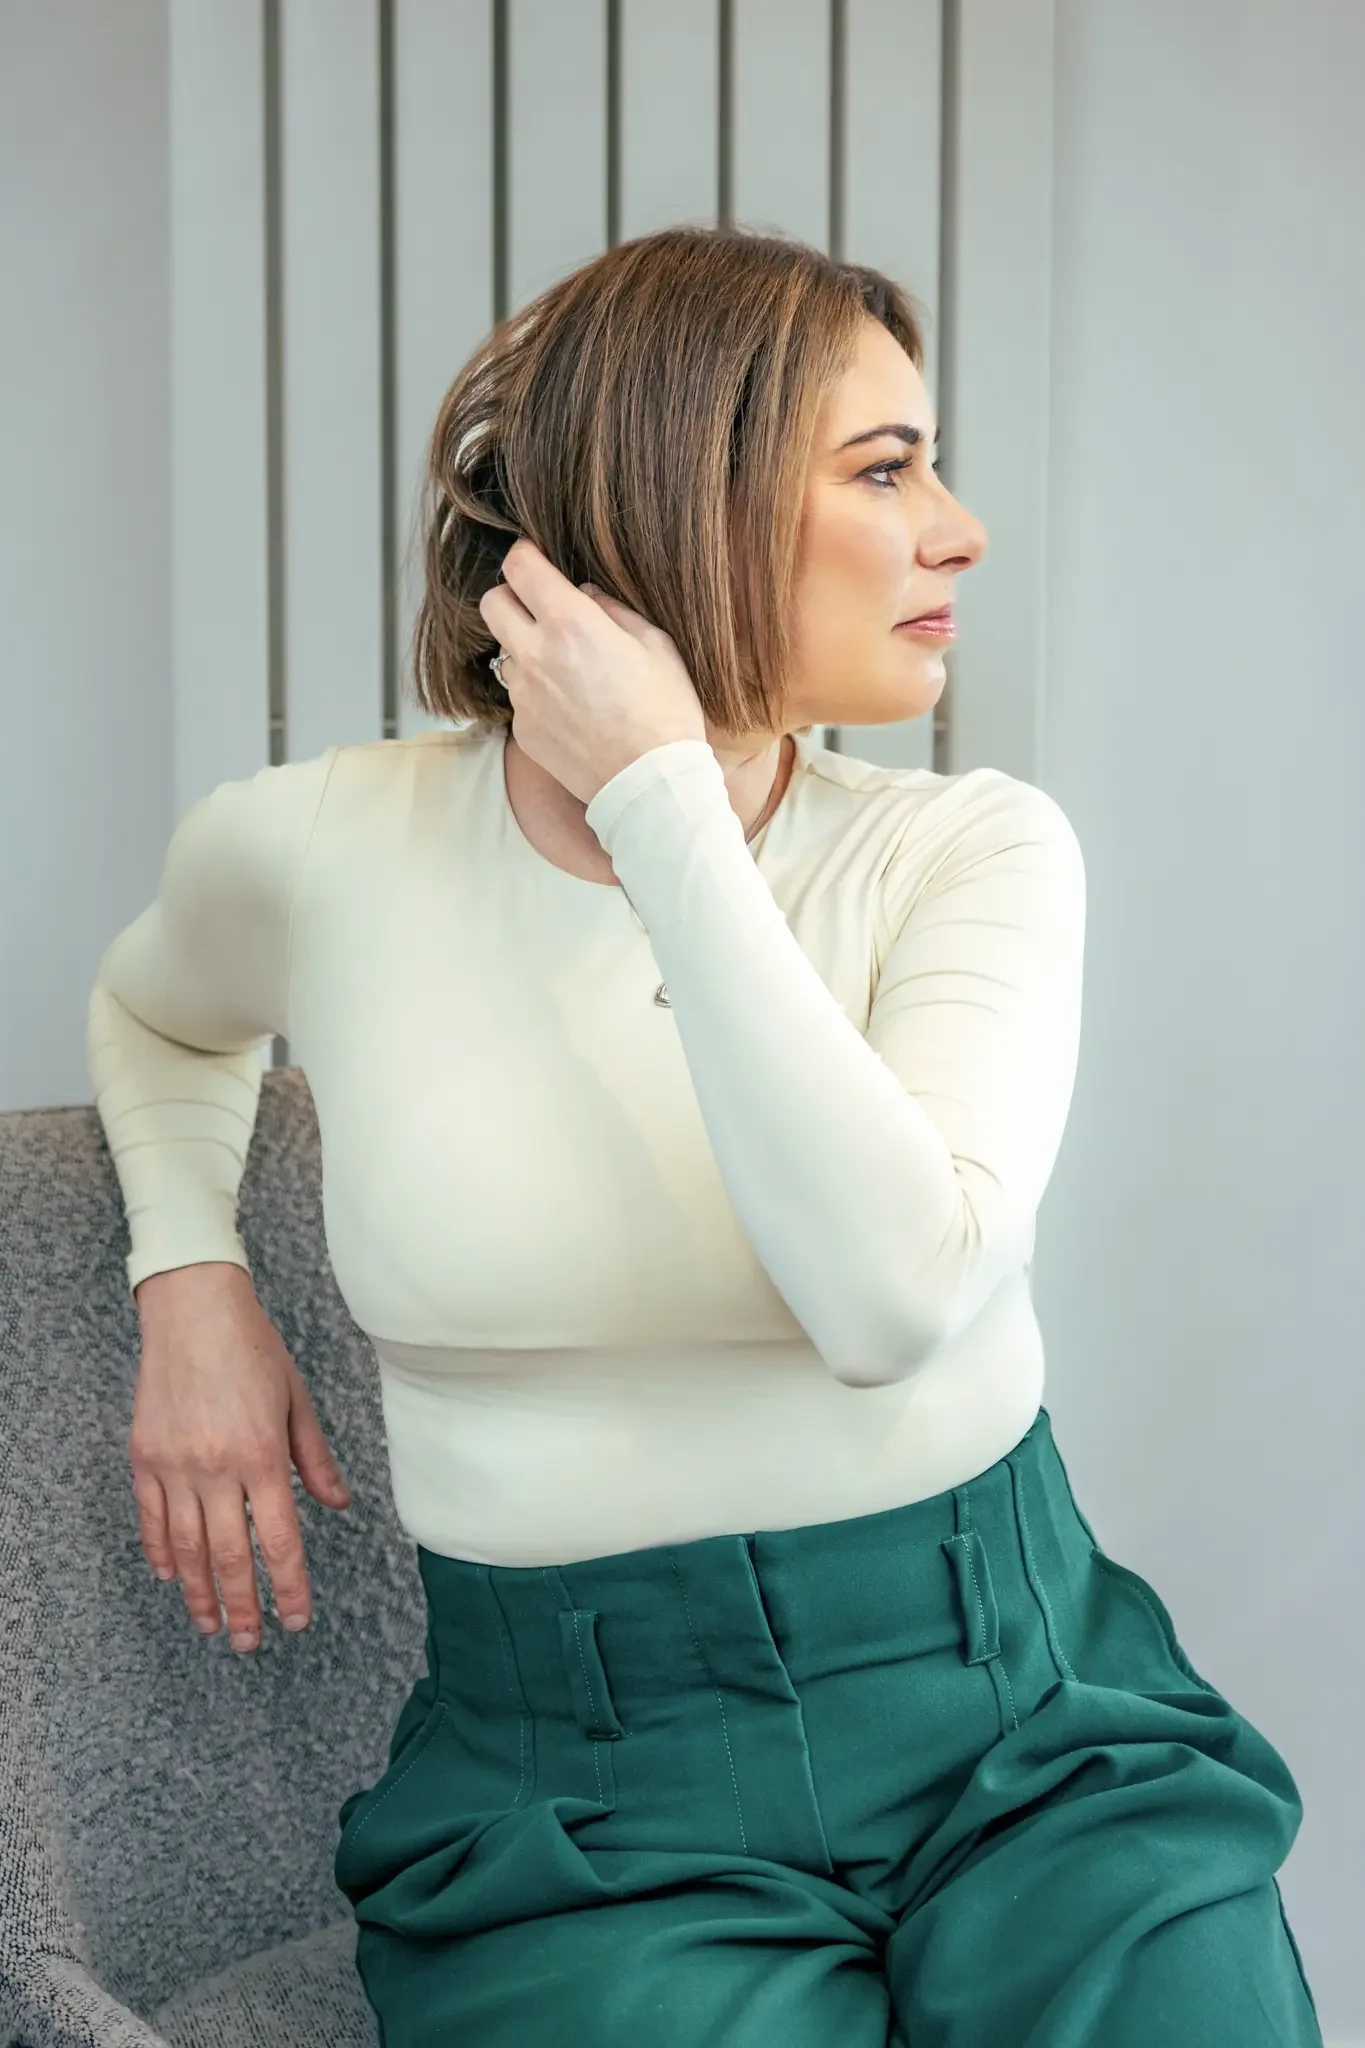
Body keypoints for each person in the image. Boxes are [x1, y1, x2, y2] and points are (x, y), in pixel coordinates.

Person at [86, 225, 1321, 2047]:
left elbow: (892, 1302)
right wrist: (189, 1282)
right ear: (694, 495)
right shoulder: (315, 851)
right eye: (888, 470)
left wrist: (666, 800)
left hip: (1024, 1710)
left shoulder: (970, 852)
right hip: (583, 1796)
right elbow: (160, 1010)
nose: (959, 528)